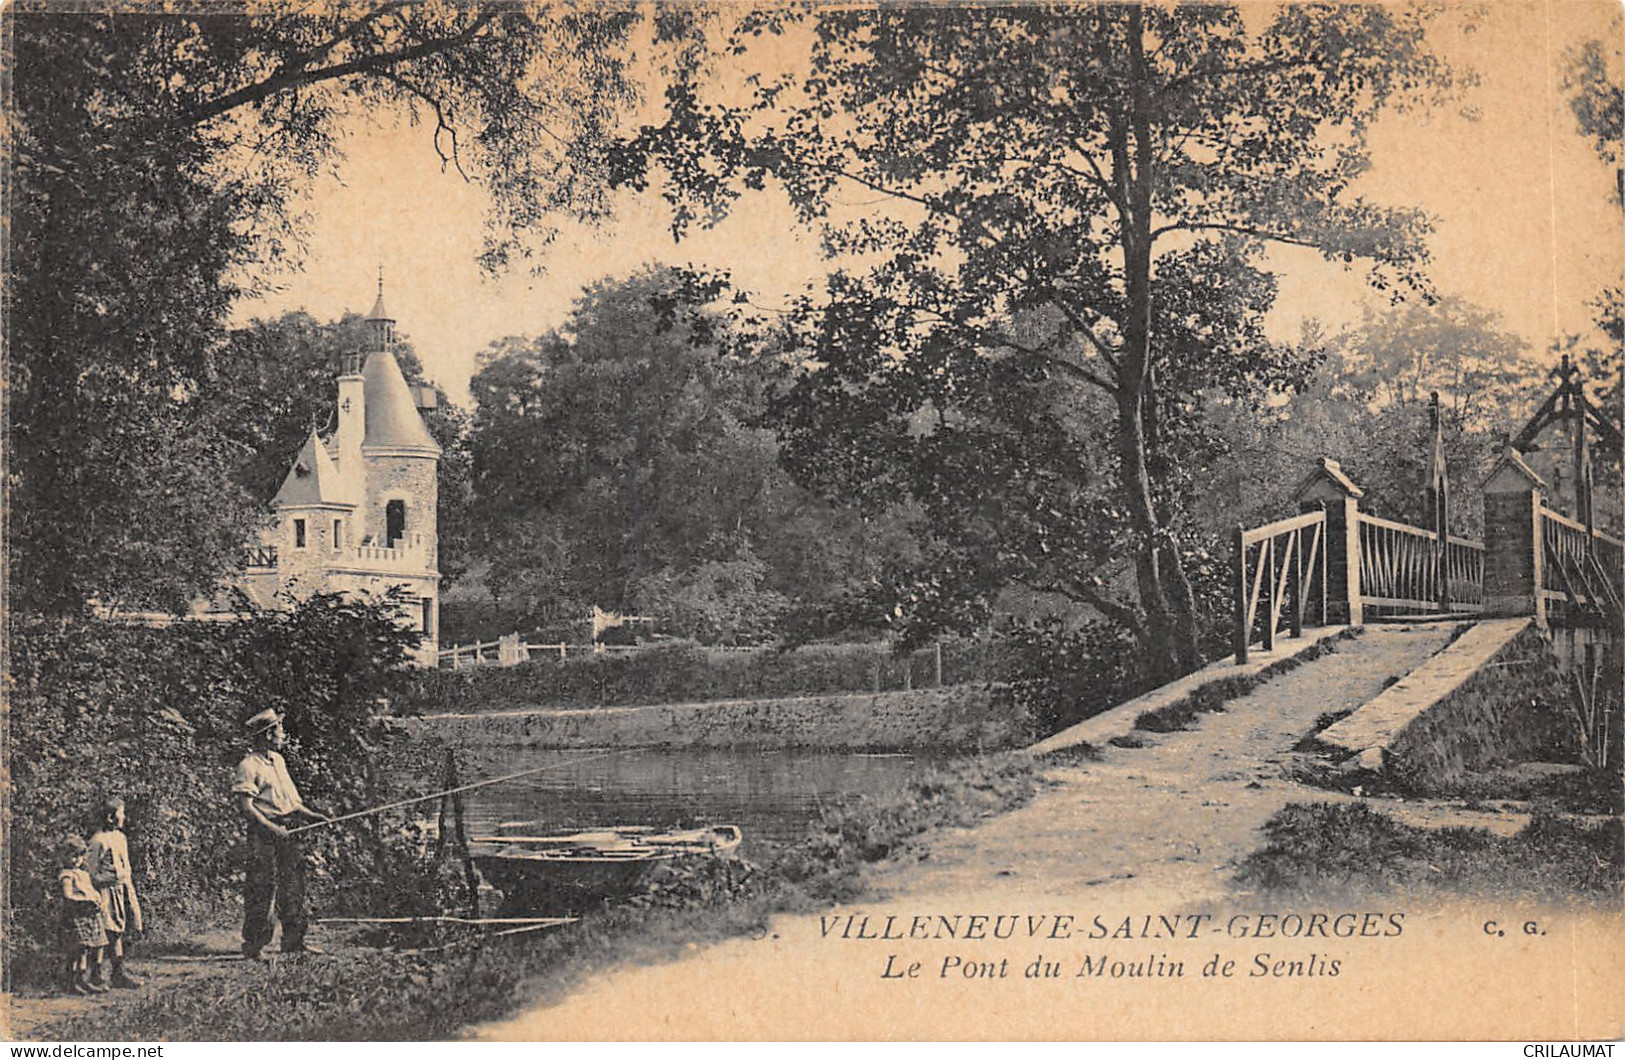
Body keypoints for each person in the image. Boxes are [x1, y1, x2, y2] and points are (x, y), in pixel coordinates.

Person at [232, 708, 331, 958]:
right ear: (266, 735)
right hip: (263, 833)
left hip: (288, 830)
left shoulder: (278, 761)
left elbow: (291, 803)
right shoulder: (248, 765)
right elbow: (247, 809)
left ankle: (294, 941)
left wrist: (313, 816)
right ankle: (254, 945)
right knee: (262, 887)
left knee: (294, 885)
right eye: (279, 730)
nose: (283, 734)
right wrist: (274, 829)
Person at [86, 796, 144, 988]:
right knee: (105, 932)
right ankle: (96, 973)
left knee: (121, 930)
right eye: (121, 813)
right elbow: (91, 872)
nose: (124, 817)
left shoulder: (121, 837)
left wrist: (127, 886)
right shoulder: (98, 840)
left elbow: (125, 866)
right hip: (105, 892)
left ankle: (118, 972)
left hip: (123, 889)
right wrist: (100, 887)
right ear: (111, 817)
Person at [57, 834, 108, 996]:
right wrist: (85, 900)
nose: (76, 860)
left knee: (93, 946)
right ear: (63, 856)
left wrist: (98, 900)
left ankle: (85, 978)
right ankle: (72, 982)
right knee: (78, 949)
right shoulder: (67, 875)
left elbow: (92, 891)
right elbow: (68, 895)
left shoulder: (83, 874)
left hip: (90, 916)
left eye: (79, 855)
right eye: (72, 856)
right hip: (75, 917)